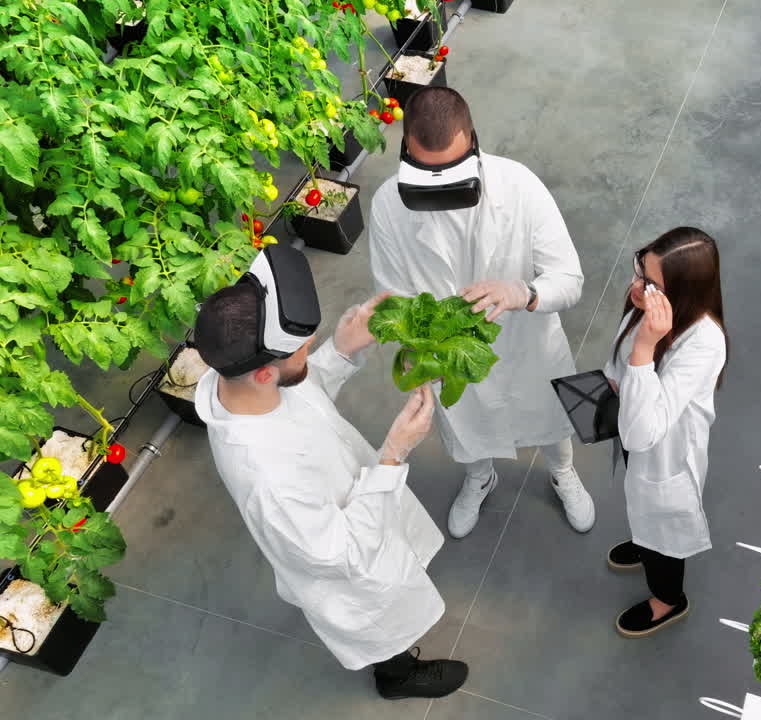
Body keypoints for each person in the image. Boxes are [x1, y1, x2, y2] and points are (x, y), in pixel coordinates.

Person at [192, 285, 467, 700]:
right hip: (350, 566)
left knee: (396, 562)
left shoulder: (240, 381)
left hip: (359, 505)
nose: (311, 345)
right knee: (382, 621)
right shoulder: (268, 480)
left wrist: (340, 350)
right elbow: (344, 553)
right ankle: (396, 676)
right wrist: (394, 453)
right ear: (265, 374)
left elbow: (301, 393)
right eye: (303, 348)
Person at [368, 86, 593, 539]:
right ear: (405, 148)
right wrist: (412, 345)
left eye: (449, 172)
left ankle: (562, 472)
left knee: (549, 416)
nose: (440, 187)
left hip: (525, 340)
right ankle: (479, 477)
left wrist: (522, 292)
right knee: (469, 425)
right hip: (451, 357)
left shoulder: (520, 187)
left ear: (472, 143)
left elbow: (569, 279)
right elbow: (391, 296)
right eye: (424, 172)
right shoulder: (388, 205)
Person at [603, 227, 729, 637]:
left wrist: (644, 347)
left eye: (651, 282)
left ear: (683, 292)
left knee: (664, 532)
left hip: (665, 457)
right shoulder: (650, 308)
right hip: (635, 435)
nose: (638, 286)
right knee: (642, 509)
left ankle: (668, 600)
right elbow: (621, 361)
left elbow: (644, 434)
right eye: (640, 270)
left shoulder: (704, 342)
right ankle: (644, 542)